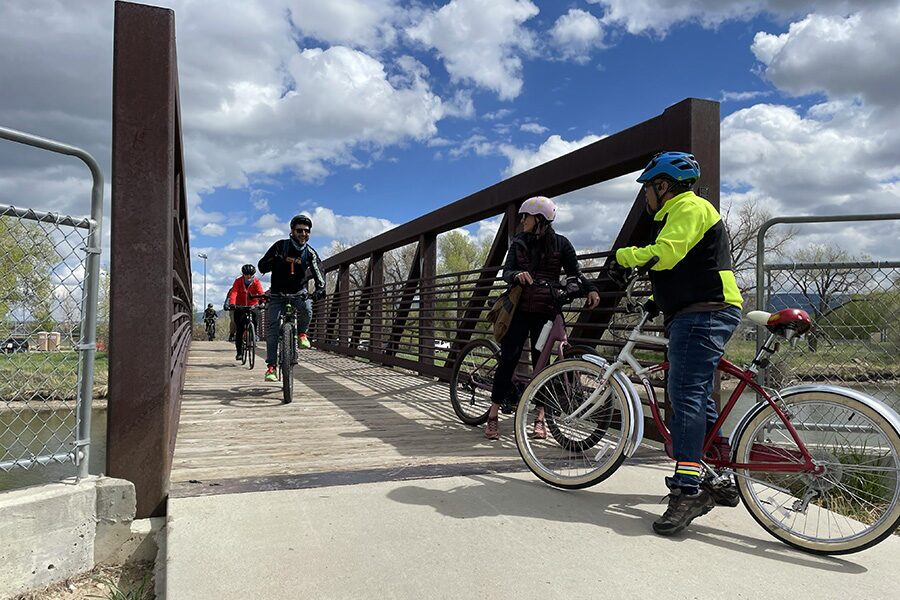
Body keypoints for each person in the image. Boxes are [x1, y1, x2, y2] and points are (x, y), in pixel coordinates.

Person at [610, 151, 743, 536]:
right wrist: (657, 301)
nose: (645, 199)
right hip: (703, 308)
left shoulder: (687, 207)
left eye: (647, 190)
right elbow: (688, 262)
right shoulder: (684, 212)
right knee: (698, 397)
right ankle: (716, 471)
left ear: (662, 186)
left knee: (684, 395)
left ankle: (688, 490)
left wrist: (623, 255)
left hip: (704, 312)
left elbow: (667, 255)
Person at [484, 196, 600, 440]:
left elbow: (574, 273)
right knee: (509, 359)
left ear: (538, 219)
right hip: (519, 311)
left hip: (547, 312)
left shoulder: (561, 244)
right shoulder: (518, 242)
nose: (522, 221)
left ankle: (540, 419)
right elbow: (506, 273)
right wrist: (517, 275)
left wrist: (590, 288)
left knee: (543, 365)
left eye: (525, 217)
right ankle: (493, 414)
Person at [258, 214, 326, 382]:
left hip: (298, 293)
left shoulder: (309, 252)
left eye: (306, 231)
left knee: (307, 309)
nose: (303, 234)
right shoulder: (280, 246)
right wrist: (275, 260)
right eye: (299, 231)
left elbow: (319, 271)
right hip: (277, 294)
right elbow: (262, 266)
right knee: (273, 330)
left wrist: (320, 289)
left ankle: (302, 333)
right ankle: (271, 367)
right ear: (292, 231)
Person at [225, 264, 266, 360]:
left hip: (252, 305)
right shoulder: (238, 281)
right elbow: (234, 292)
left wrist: (263, 302)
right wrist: (232, 303)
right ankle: (239, 352)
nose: (249, 276)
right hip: (240, 306)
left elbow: (260, 292)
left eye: (251, 274)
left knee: (255, 319)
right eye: (247, 274)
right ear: (243, 274)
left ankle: (254, 335)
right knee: (239, 329)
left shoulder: (256, 282)